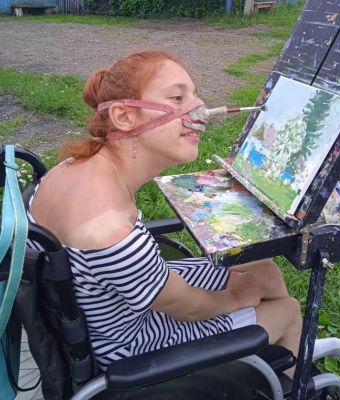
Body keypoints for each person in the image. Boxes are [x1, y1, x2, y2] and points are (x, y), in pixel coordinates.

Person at [27, 50, 302, 375]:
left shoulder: (72, 168)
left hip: (112, 308)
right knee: (288, 311)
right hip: (131, 349)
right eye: (177, 98)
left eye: (195, 95)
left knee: (265, 271)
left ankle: (260, 354)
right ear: (124, 116)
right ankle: (269, 378)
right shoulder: (111, 231)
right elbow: (191, 308)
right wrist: (235, 299)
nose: (200, 109)